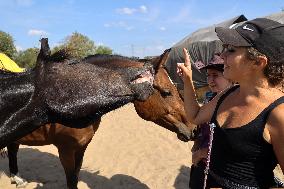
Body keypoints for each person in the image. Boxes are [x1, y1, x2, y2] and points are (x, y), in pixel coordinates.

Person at [177, 18, 284, 188]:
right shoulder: (228, 93)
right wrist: (188, 79)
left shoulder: (278, 113)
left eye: (231, 50)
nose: (222, 55)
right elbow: (195, 116)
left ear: (258, 62)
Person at [189, 54, 232, 188]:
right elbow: (202, 126)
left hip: (219, 170)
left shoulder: (233, 104)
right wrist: (196, 146)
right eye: (208, 75)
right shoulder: (210, 98)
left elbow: (231, 143)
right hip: (201, 163)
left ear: (229, 76)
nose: (210, 80)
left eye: (215, 75)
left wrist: (201, 153)